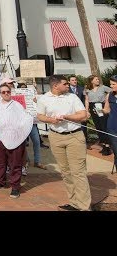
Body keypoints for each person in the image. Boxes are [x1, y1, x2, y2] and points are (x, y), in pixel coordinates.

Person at [37, 75, 90, 211]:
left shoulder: (72, 97)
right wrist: (51, 120)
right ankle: (74, 203)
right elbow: (40, 116)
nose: (68, 86)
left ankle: (84, 207)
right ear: (55, 86)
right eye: (65, 84)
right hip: (55, 137)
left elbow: (83, 115)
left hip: (74, 136)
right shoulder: (43, 99)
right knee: (66, 172)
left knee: (78, 172)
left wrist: (66, 117)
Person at [0, 83, 32, 198]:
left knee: (15, 163)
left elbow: (25, 120)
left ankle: (15, 187)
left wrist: (21, 135)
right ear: (0, 94)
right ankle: (0, 182)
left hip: (14, 139)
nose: (6, 93)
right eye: (3, 92)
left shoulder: (17, 105)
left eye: (8, 91)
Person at [84, 75, 112, 155]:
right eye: (96, 79)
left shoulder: (103, 87)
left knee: (104, 126)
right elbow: (86, 100)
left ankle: (107, 147)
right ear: (91, 80)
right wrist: (87, 111)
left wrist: (107, 98)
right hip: (93, 108)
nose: (98, 80)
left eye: (98, 79)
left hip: (101, 107)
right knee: (98, 127)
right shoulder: (87, 89)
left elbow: (112, 91)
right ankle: (103, 145)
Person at [69, 75, 89, 145]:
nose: (74, 81)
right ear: (69, 81)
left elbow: (85, 99)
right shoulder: (66, 90)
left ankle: (85, 142)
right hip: (71, 112)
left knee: (83, 127)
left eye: (75, 80)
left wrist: (86, 110)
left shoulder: (81, 88)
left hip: (81, 111)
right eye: (72, 80)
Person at [103, 75, 117, 172]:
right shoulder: (109, 95)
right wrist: (101, 110)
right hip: (112, 127)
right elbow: (107, 110)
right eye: (110, 84)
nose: (111, 86)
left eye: (113, 84)